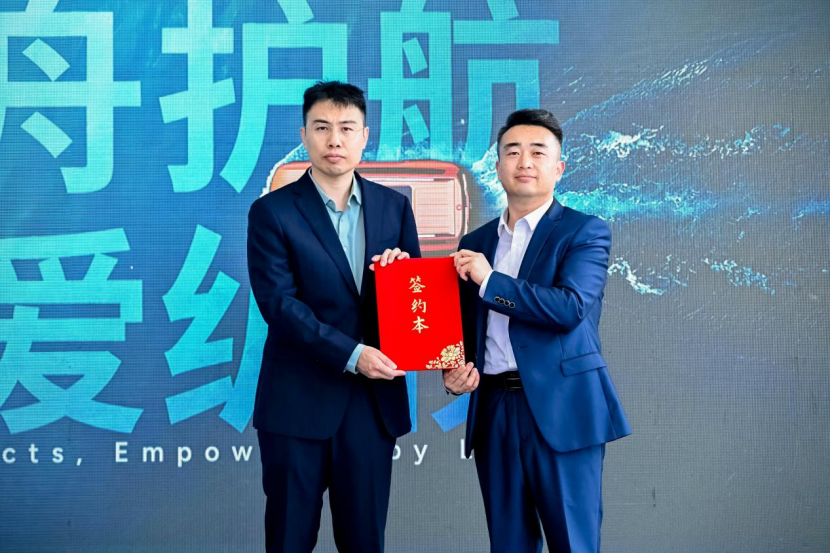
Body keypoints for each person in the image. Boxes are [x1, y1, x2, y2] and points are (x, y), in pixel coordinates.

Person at [445, 109, 631, 552]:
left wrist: (491, 281)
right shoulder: (475, 243)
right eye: (512, 152)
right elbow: (466, 328)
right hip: (494, 408)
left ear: (559, 167)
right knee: (508, 544)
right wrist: (453, 372)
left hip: (562, 407)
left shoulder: (584, 232)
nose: (524, 161)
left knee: (573, 542)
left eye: (537, 152)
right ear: (498, 167)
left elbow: (569, 308)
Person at [247, 81, 420, 553]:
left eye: (347, 128)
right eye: (322, 128)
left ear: (365, 136)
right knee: (289, 540)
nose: (334, 140)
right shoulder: (272, 212)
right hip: (295, 403)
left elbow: (414, 301)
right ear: (304, 135)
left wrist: (400, 280)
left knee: (365, 542)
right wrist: (353, 354)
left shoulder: (394, 207)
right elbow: (279, 305)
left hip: (371, 406)